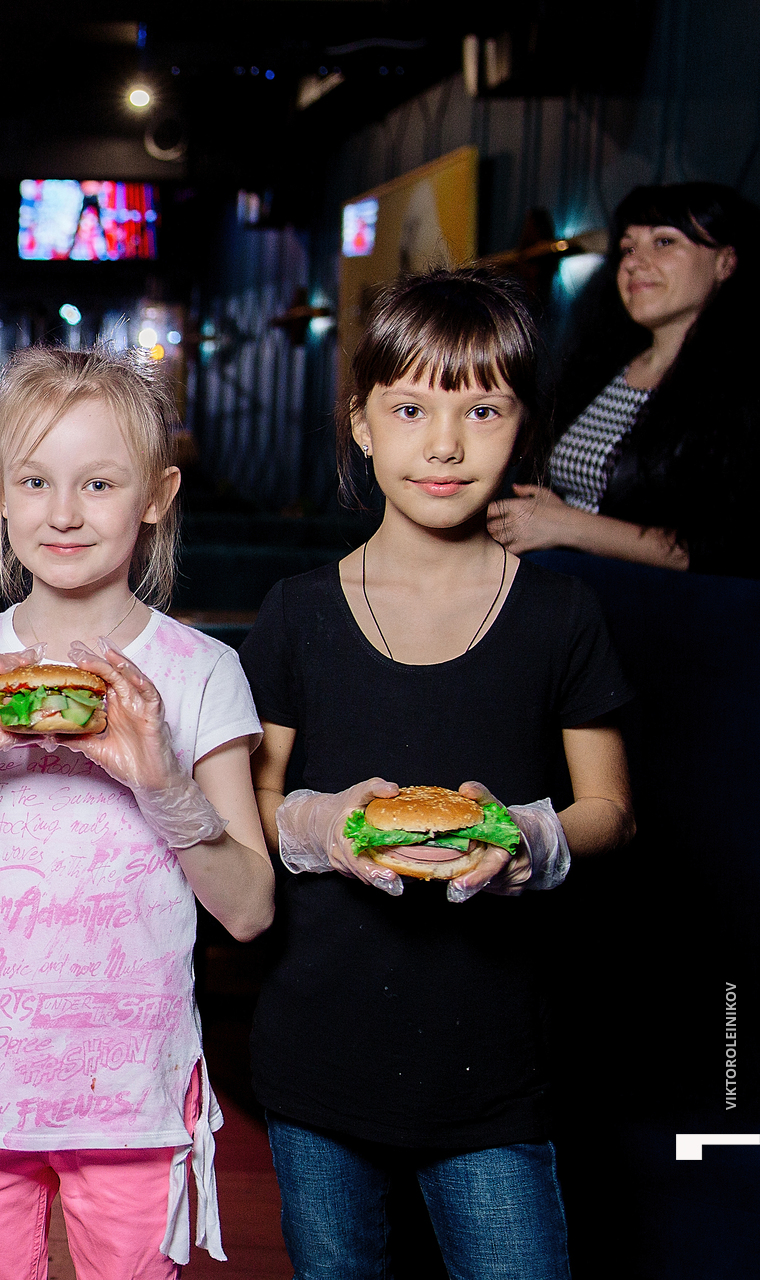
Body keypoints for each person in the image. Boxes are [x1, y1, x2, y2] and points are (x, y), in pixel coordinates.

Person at [0, 345, 273, 1280]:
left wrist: (163, 783)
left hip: (134, 1093)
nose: (63, 513)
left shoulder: (202, 672)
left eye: (99, 483)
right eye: (34, 481)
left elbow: (250, 909)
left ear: (156, 496)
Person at [241, 270, 636, 1279]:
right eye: (411, 408)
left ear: (524, 426)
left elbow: (612, 809)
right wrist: (319, 826)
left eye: (483, 409)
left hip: (495, 1060)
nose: (446, 444)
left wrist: (530, 836)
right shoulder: (297, 610)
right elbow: (253, 803)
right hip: (320, 1044)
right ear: (362, 424)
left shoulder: (562, 614)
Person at [490, 183, 759, 577]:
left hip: (659, 605)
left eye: (664, 242)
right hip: (567, 587)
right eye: (628, 249)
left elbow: (728, 547)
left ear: (725, 262)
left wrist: (569, 526)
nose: (634, 263)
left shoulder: (742, 388)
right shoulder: (598, 369)